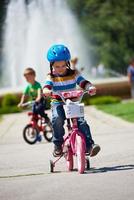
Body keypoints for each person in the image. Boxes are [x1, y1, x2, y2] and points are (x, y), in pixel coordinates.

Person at [43, 44, 100, 157]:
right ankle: (58, 144)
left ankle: (90, 145)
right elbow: (47, 85)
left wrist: (90, 87)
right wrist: (46, 90)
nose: (60, 69)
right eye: (57, 66)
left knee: (81, 122)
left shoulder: (74, 73)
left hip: (73, 102)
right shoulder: (51, 76)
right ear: (52, 66)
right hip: (58, 102)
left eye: (63, 65)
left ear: (67, 63)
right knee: (57, 119)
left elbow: (83, 82)